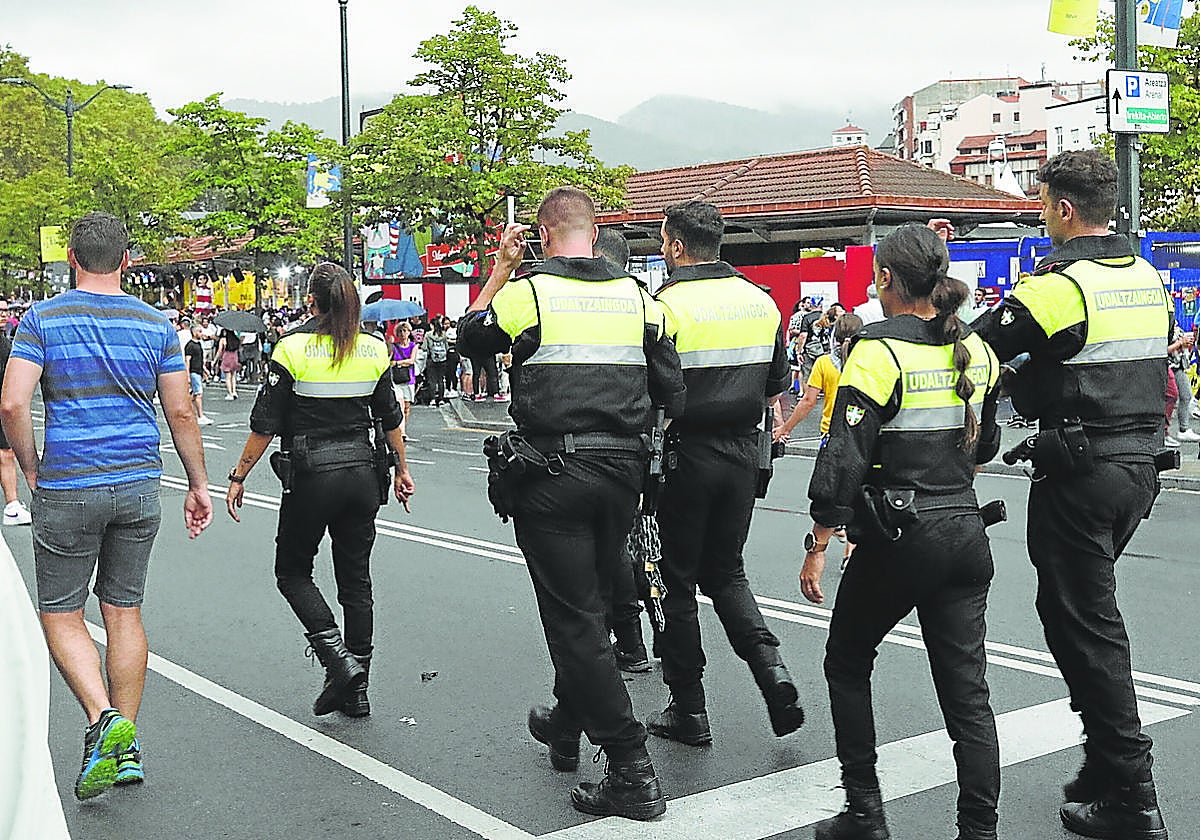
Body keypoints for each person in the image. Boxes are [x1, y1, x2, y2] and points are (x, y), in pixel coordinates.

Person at [457, 186, 685, 821]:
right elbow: (672, 387)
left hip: (554, 472)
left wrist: (501, 267)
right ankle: (564, 722)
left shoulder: (529, 293)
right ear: (596, 228)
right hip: (625, 472)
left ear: (541, 232)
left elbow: (469, 341)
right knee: (591, 606)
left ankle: (632, 768)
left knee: (574, 620)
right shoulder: (640, 297)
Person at [975, 150, 1173, 840]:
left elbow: (976, 349)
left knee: (1087, 629)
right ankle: (1102, 769)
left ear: (1063, 209)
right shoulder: (1148, 278)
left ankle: (1133, 795)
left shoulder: (1059, 284)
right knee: (1077, 617)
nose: (1039, 214)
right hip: (1140, 472)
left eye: (1041, 203)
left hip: (1081, 472)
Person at [0, 211, 213, 800]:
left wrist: (31, 466)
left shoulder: (41, 319)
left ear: (71, 258)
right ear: (127, 260)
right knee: (124, 611)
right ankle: (127, 751)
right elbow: (181, 412)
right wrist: (198, 482)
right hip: (140, 484)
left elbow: (13, 404)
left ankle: (103, 720)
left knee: (63, 614)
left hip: (69, 484)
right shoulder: (157, 325)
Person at [804, 222, 1002, 840]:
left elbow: (844, 458)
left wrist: (820, 541)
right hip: (966, 532)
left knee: (846, 660)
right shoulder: (976, 350)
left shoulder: (878, 350)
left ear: (886, 279)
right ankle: (979, 830)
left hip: (901, 536)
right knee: (968, 694)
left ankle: (865, 813)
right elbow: (986, 445)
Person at [225, 263, 415, 719]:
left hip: (311, 476)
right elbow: (390, 419)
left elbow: (265, 424)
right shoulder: (372, 348)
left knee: (291, 571)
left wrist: (238, 476)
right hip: (364, 475)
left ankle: (340, 661)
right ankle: (358, 691)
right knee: (356, 581)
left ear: (311, 300)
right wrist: (402, 471)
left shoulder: (291, 347)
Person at [648, 200, 805, 747]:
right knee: (727, 573)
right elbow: (775, 384)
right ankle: (772, 672)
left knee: (677, 583)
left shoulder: (664, 306)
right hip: (743, 455)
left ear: (674, 246)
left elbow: (652, 391)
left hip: (684, 455)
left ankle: (689, 710)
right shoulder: (761, 303)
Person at [594, 226, 650, 672]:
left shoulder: (599, 306)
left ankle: (625, 640)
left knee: (612, 552)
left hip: (601, 450)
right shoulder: (648, 305)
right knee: (634, 548)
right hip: (643, 448)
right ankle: (640, 640)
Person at [0, 301, 32, 526]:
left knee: (6, 453)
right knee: (6, 453)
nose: (4, 314)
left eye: (5, 310)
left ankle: (12, 505)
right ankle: (12, 506)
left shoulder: (4, 342)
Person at [392, 321, 417, 438]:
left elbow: (412, 360)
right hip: (396, 380)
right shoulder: (394, 346)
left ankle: (403, 429)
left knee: (407, 407)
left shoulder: (413, 346)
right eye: (400, 331)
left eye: (405, 331)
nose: (403, 334)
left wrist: (398, 363)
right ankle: (401, 431)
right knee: (399, 405)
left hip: (409, 379)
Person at [185, 324, 214, 426]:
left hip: (198, 371)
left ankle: (188, 411)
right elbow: (187, 361)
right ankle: (200, 416)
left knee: (194, 395)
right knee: (198, 394)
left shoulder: (198, 344)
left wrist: (205, 370)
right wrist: (187, 375)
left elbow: (199, 359)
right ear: (194, 332)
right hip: (194, 372)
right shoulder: (190, 345)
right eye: (199, 331)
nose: (202, 334)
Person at [421, 316, 451, 407]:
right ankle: (441, 399)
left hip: (431, 359)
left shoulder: (428, 335)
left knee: (432, 380)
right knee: (441, 379)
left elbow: (424, 347)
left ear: (431, 325)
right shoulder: (444, 334)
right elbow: (447, 348)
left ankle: (433, 399)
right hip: (442, 359)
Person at [218, 328, 241, 400]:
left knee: (227, 377)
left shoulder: (223, 340)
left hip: (226, 357)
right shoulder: (236, 339)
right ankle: (234, 391)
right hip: (234, 357)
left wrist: (215, 360)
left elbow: (219, 351)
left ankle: (230, 393)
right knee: (233, 376)